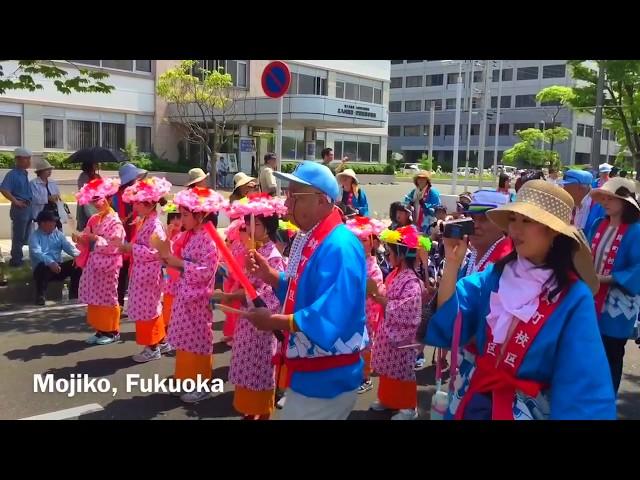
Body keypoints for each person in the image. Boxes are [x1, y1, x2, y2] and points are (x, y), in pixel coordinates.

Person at [425, 180, 615, 419]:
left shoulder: (574, 298)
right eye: (513, 219)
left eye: (527, 221)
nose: (515, 230)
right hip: (479, 401)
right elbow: (452, 318)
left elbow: (583, 386)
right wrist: (452, 264)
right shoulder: (496, 275)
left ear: (554, 231)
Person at [246, 161, 367, 420]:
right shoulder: (314, 237)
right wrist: (270, 276)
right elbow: (301, 292)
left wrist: (272, 321)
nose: (287, 205)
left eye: (295, 197)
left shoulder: (339, 245)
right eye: (288, 196)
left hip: (327, 377)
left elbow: (331, 312)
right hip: (312, 371)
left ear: (322, 201)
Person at [220, 194, 287, 419]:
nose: (250, 227)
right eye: (248, 222)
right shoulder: (253, 250)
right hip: (247, 322)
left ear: (267, 227)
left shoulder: (273, 256)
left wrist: (238, 295)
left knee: (260, 372)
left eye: (255, 223)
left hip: (262, 326)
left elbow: (270, 296)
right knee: (246, 371)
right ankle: (250, 411)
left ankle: (261, 412)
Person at [162, 187, 223, 403]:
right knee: (185, 341)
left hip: (198, 298)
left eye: (186, 215)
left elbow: (206, 270)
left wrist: (179, 263)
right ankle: (186, 378)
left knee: (198, 342)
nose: (182, 219)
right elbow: (180, 260)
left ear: (200, 215)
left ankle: (203, 383)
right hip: (184, 294)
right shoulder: (189, 235)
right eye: (181, 214)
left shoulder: (208, 239)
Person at [588, 177, 640, 395]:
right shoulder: (597, 224)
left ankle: (607, 400)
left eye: (612, 198)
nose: (605, 202)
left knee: (612, 352)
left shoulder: (636, 230)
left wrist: (608, 278)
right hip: (592, 296)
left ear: (625, 202)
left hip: (618, 304)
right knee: (590, 349)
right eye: (604, 197)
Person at [369, 226, 423, 420]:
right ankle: (388, 400)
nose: (388, 255)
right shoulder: (396, 273)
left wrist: (380, 299)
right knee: (388, 371)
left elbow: (407, 309)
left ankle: (409, 406)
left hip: (402, 336)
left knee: (402, 372)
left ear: (401, 254)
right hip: (389, 330)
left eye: (391, 252)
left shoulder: (412, 281)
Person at [119, 176, 172, 363]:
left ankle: (152, 347)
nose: (135, 207)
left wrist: (131, 248)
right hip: (144, 272)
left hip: (148, 274)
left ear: (149, 205)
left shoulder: (154, 225)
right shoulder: (147, 221)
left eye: (138, 204)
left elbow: (156, 251)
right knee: (151, 308)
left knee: (146, 310)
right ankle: (161, 341)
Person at [74, 177, 125, 345]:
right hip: (94, 263)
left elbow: (115, 245)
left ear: (109, 199)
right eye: (94, 200)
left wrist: (95, 238)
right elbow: (87, 241)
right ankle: (99, 329)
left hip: (108, 264)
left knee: (108, 297)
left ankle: (112, 331)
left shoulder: (115, 222)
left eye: (99, 199)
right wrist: (80, 239)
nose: (96, 203)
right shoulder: (93, 219)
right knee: (94, 297)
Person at [345, 216, 386, 395]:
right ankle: (355, 374)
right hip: (353, 309)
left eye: (363, 240)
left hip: (367, 310)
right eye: (357, 240)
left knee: (366, 343)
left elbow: (373, 291)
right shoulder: (353, 261)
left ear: (372, 243)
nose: (360, 244)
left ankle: (366, 377)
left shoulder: (374, 267)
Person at [111, 163, 147, 308]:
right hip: (123, 237)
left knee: (126, 273)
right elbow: (117, 218)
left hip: (132, 236)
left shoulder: (132, 195)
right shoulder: (117, 197)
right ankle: (118, 305)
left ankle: (123, 304)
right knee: (122, 273)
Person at [29, 210, 81, 305]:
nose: (54, 223)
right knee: (41, 267)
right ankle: (40, 296)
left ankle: (74, 294)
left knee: (77, 264)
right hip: (44, 268)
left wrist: (80, 256)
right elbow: (37, 253)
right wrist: (50, 262)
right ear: (42, 223)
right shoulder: (34, 237)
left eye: (54, 221)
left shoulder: (58, 234)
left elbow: (69, 247)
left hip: (58, 267)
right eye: (52, 221)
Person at [1, 147, 33, 267]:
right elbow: (4, 189)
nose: (29, 161)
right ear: (18, 160)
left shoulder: (25, 173)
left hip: (29, 207)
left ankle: (19, 257)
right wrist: (16, 201)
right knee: (19, 235)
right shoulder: (12, 174)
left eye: (29, 159)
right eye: (26, 159)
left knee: (26, 236)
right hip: (20, 208)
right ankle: (16, 260)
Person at [161, 202, 183, 332]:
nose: (175, 221)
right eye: (172, 217)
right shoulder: (167, 234)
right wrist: (168, 235)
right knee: (168, 300)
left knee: (176, 302)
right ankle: (167, 326)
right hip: (169, 274)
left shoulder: (185, 236)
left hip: (179, 275)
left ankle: (174, 327)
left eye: (178, 217)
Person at [560, 169, 602, 234]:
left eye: (567, 186)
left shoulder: (600, 207)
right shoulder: (572, 205)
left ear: (581, 188)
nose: (564, 189)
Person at [30, 159, 68, 230]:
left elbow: (58, 194)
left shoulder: (52, 182)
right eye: (47, 170)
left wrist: (56, 197)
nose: (50, 171)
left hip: (54, 211)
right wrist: (47, 198)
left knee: (58, 231)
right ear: (40, 171)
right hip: (41, 213)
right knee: (43, 232)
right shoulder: (33, 183)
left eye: (50, 169)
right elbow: (34, 198)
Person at [76, 161, 101, 231]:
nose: (98, 164)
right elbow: (83, 190)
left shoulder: (97, 175)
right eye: (95, 163)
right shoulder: (83, 176)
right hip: (86, 204)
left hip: (97, 203)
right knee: (88, 226)